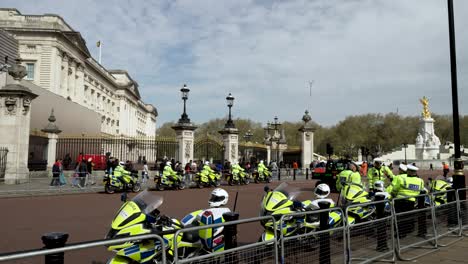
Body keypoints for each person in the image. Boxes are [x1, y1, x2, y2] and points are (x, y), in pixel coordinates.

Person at [391, 164, 425, 237]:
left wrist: (393, 195)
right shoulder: (420, 181)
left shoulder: (402, 179)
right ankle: (407, 230)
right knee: (408, 217)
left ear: (408, 171)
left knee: (399, 218)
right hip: (411, 201)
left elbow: (394, 190)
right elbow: (422, 191)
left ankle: (400, 233)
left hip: (399, 201)